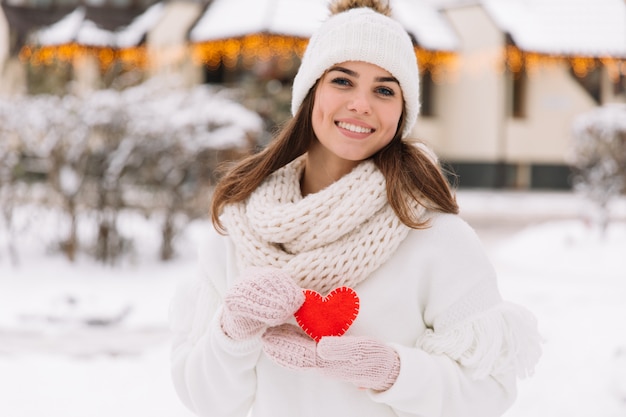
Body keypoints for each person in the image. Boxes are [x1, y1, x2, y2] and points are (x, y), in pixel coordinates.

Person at [168, 0, 542, 416]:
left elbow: (490, 391)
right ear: (311, 92)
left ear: (401, 112)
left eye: (384, 89)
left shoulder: (435, 237)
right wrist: (231, 332)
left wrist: (396, 373)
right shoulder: (237, 233)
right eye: (342, 81)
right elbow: (204, 400)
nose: (361, 104)